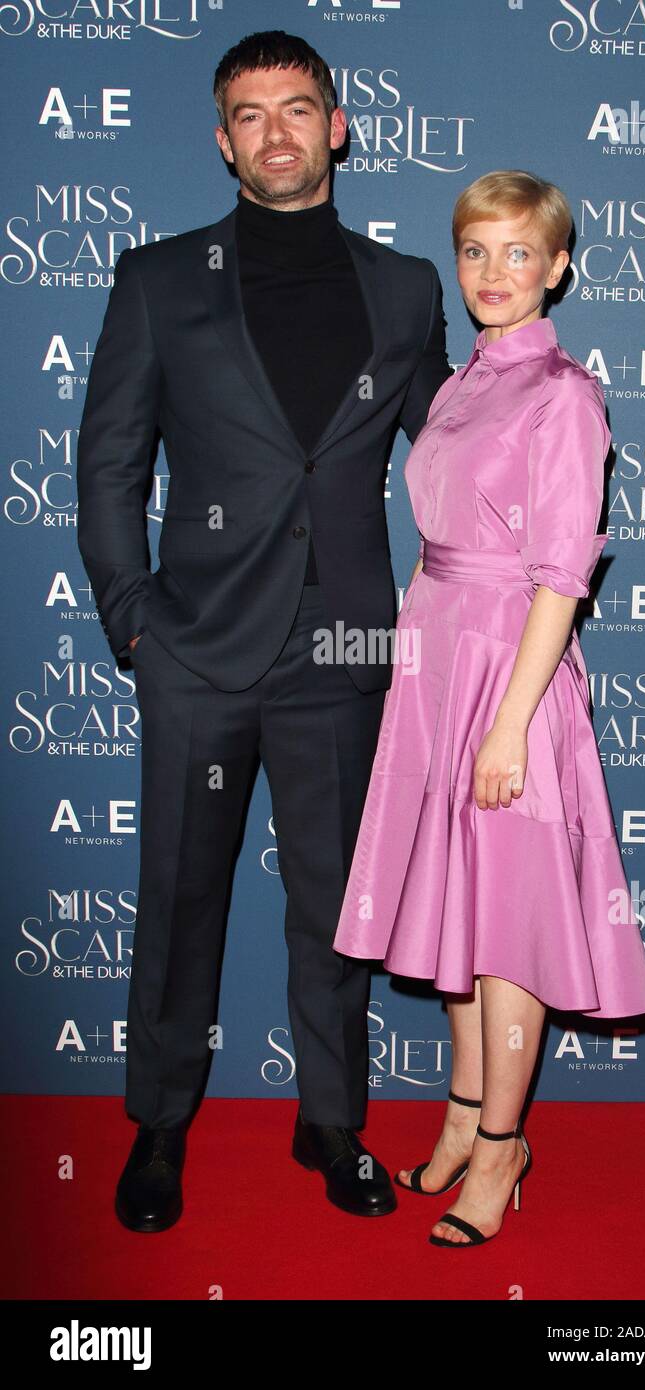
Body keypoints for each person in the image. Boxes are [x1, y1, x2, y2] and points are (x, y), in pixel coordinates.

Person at [76, 29, 452, 1232]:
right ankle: (160, 1123)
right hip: (196, 645)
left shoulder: (402, 288)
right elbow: (109, 465)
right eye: (251, 113)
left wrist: (549, 395)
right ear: (225, 137)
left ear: (337, 126)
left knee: (338, 902)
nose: (277, 132)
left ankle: (331, 1119)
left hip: (342, 650)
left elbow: (451, 449)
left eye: (298, 108)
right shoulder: (156, 279)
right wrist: (134, 619)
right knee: (178, 892)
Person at [333, 170, 645, 1248]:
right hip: (437, 660)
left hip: (506, 672)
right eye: (476, 251)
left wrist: (512, 722)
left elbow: (561, 575)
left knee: (509, 929)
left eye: (518, 253)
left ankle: (506, 1142)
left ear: (558, 266)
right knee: (465, 915)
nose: (493, 274)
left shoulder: (563, 392)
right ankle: (467, 1117)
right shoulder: (465, 380)